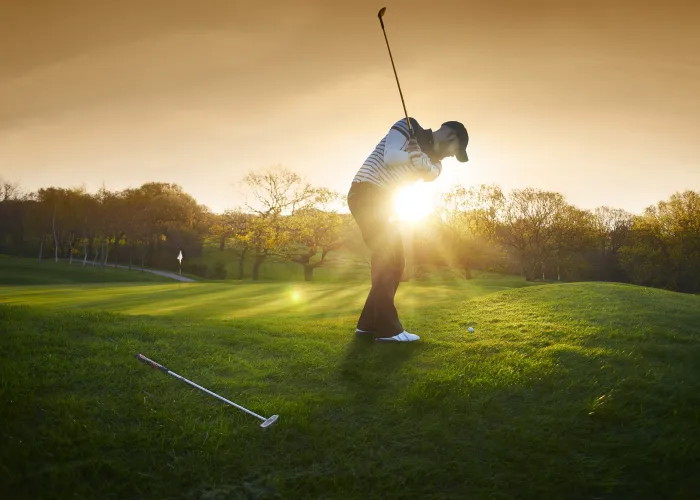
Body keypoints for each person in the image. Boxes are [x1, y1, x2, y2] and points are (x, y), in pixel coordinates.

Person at [347, 117, 469, 342]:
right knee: (387, 256)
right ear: (451, 137)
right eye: (454, 152)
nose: (450, 156)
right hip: (367, 191)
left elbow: (430, 173)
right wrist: (413, 157)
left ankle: (367, 325)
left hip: (384, 203)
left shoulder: (436, 164)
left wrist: (420, 159)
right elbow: (390, 156)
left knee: (395, 260)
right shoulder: (409, 125)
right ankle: (388, 330)